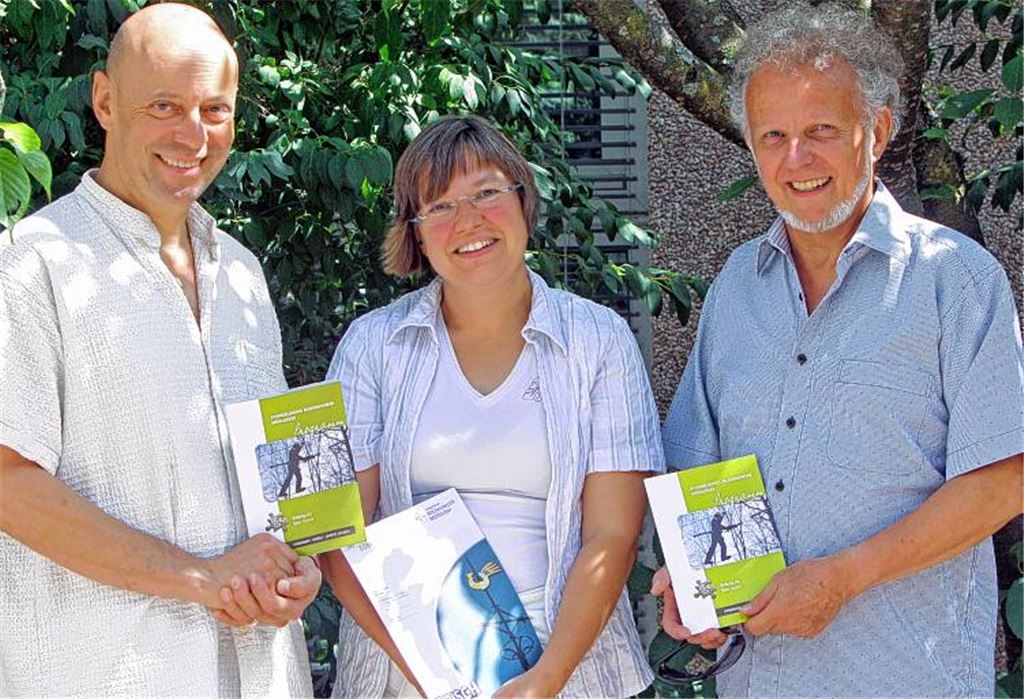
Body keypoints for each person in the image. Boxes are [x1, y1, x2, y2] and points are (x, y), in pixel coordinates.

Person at [655, 3, 1024, 697]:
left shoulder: (957, 280)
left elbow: (1002, 480)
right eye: (773, 136)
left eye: (821, 130)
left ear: (876, 131)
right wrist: (694, 579)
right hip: (763, 683)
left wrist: (844, 576)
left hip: (908, 679)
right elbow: (701, 470)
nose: (796, 160)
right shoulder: (735, 286)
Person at [0, 5, 318, 695]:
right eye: (166, 105)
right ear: (105, 101)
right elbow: (7, 483)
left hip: (262, 675)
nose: (193, 135)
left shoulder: (242, 273)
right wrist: (203, 578)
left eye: (214, 109)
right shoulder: (32, 263)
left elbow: (282, 483)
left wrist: (300, 566)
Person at [319, 115, 664, 698]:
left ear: (524, 200)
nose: (469, 222)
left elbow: (611, 535)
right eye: (441, 207)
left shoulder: (599, 341)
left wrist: (544, 680)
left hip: (569, 671)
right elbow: (335, 537)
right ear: (417, 234)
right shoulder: (372, 345)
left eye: (486, 193)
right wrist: (435, 678)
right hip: (407, 673)